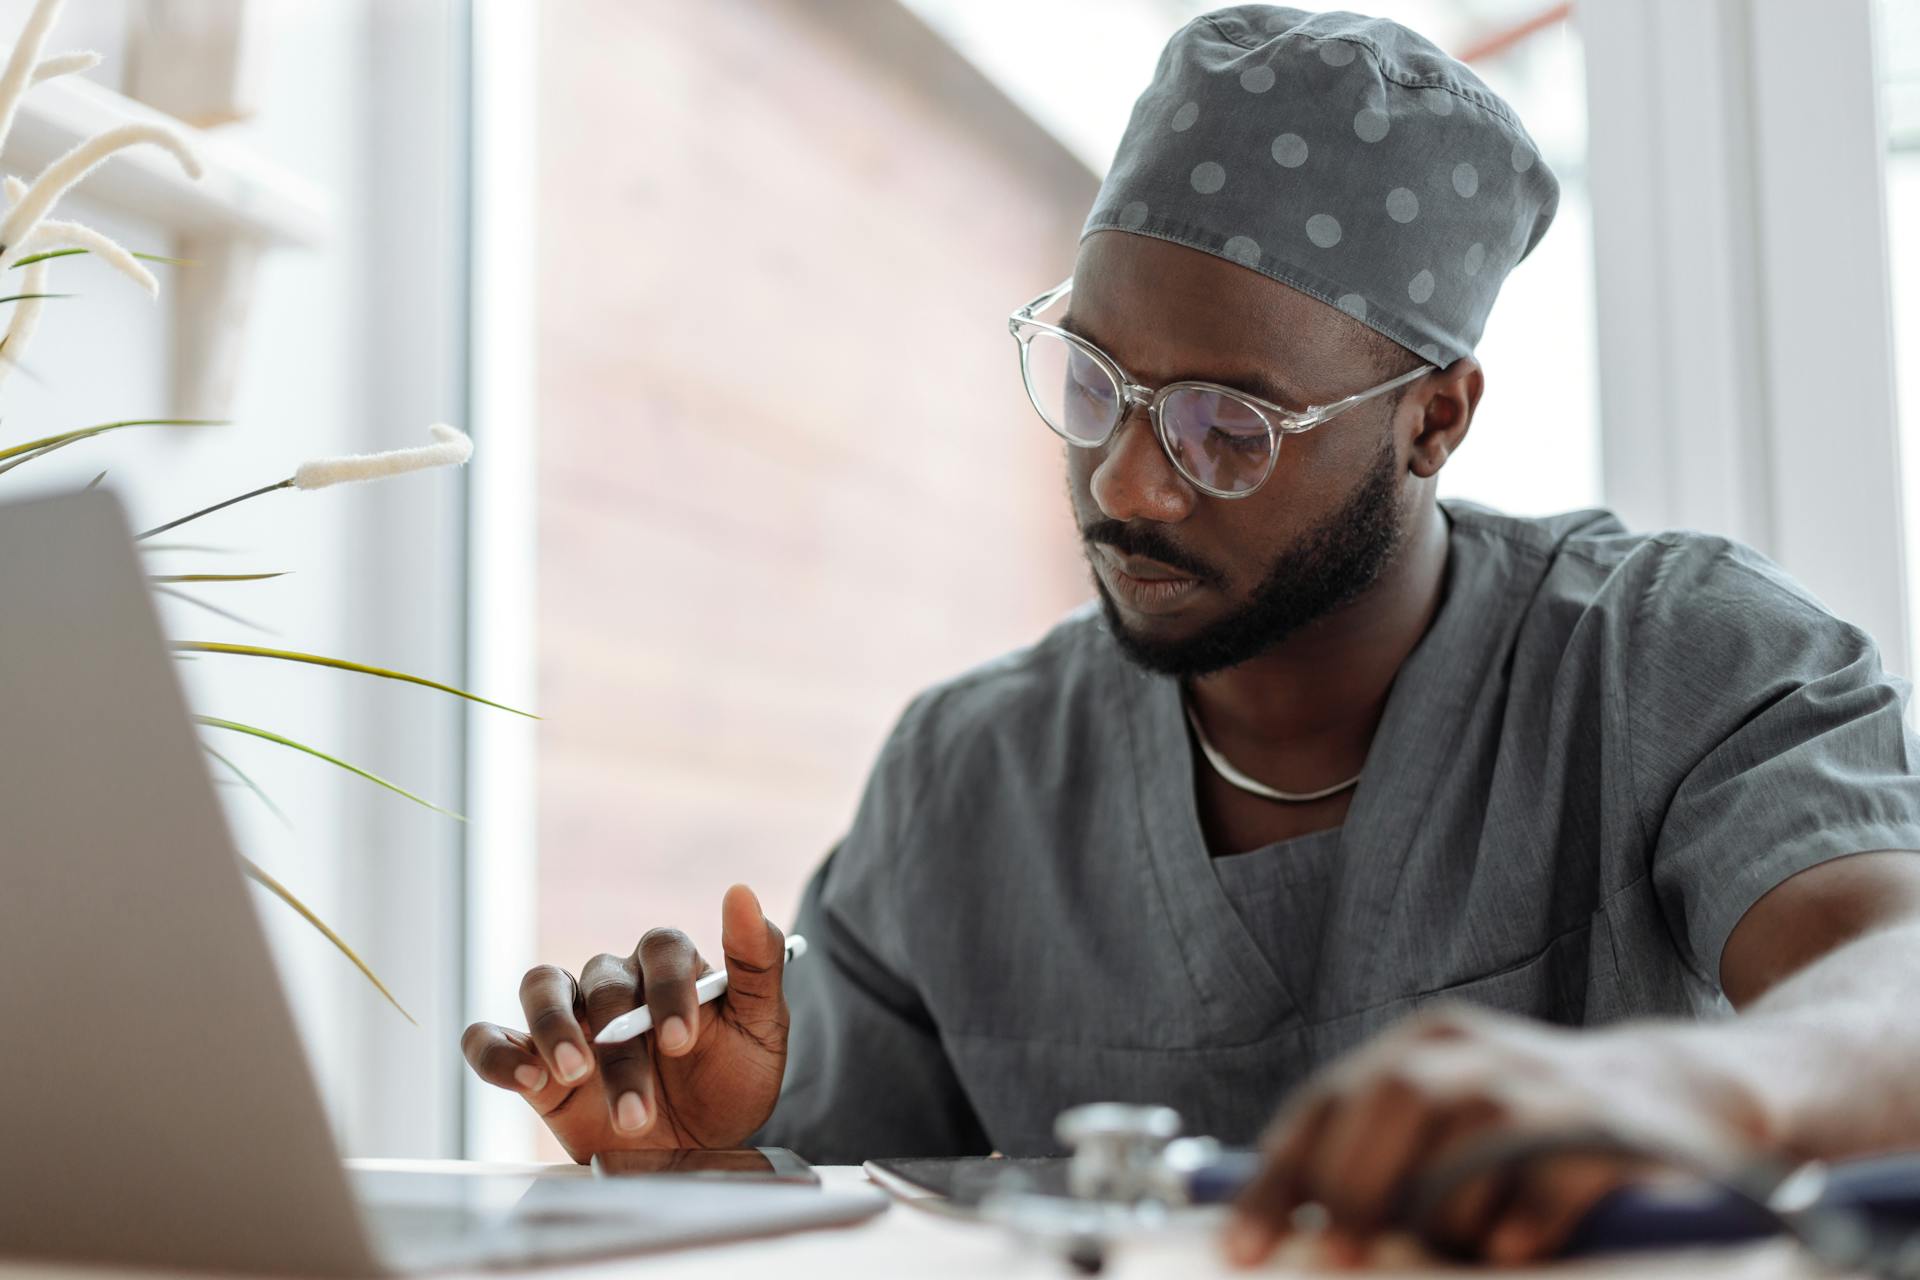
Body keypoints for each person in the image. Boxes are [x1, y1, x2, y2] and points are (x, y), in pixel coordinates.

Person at [462, 5, 1920, 1265]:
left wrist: (1700, 1094)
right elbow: (850, 1209)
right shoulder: (973, 783)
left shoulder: (1674, 662)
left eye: (1231, 427)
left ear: (1435, 419)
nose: (1126, 484)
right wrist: (706, 1160)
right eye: (1093, 383)